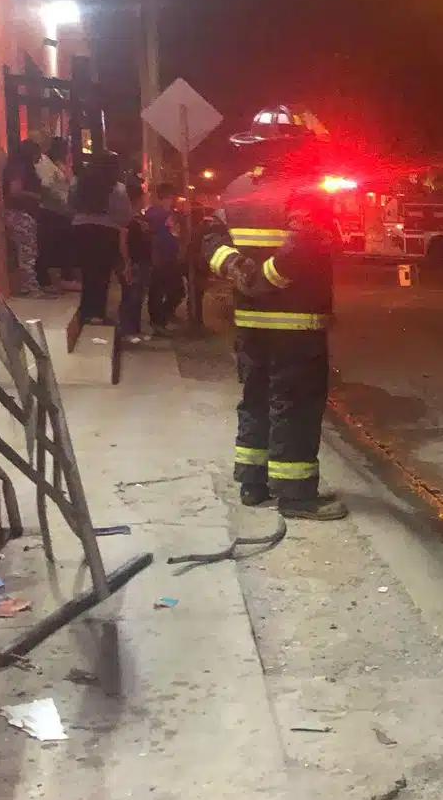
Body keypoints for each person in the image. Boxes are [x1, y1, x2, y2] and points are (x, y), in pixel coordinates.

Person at [202, 107, 346, 521]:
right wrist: (266, 278)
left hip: (250, 325)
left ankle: (253, 484)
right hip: (296, 325)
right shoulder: (307, 192)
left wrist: (236, 268)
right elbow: (305, 246)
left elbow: (209, 239)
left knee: (255, 399)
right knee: (295, 405)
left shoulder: (236, 189)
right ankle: (296, 495)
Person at [70, 152, 134, 327]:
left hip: (80, 229)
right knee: (102, 274)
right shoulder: (117, 188)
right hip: (105, 232)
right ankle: (97, 313)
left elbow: (70, 203)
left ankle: (85, 310)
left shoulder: (79, 182)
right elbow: (124, 216)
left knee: (87, 272)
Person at [1, 141, 45, 297]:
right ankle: (28, 288)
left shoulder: (15, 166)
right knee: (27, 252)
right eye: (38, 155)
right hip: (20, 214)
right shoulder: (20, 168)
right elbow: (15, 191)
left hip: (19, 213)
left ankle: (26, 286)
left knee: (25, 251)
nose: (40, 159)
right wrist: (37, 196)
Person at [34, 136, 74, 290]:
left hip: (62, 211)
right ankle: (50, 281)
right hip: (51, 211)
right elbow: (46, 184)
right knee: (51, 247)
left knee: (61, 245)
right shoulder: (46, 163)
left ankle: (59, 279)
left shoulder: (60, 164)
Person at [145, 182, 184, 332]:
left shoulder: (169, 214)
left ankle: (161, 319)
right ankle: (158, 321)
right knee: (159, 291)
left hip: (170, 256)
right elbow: (154, 235)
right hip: (160, 257)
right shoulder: (155, 213)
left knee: (175, 291)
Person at [118, 175, 153, 342]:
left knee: (138, 297)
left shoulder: (139, 216)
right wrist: (127, 264)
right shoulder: (128, 217)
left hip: (143, 262)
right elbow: (123, 240)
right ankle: (127, 331)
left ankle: (135, 329)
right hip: (134, 262)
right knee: (131, 296)